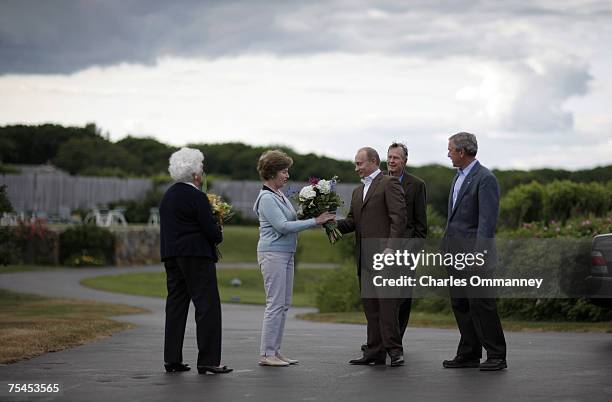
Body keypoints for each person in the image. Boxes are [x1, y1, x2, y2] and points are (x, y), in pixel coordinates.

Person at [253, 150, 335, 367]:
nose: (287, 175)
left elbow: (292, 219)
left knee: (284, 304)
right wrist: (314, 221)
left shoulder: (279, 195)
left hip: (286, 254)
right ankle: (267, 353)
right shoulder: (267, 198)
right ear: (271, 173)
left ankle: (275, 351)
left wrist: (314, 210)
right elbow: (283, 226)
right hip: (273, 254)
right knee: (275, 304)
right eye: (283, 171)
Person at [159, 147, 232, 375]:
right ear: (195, 174)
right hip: (197, 256)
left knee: (176, 306)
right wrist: (218, 227)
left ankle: (172, 359)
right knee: (207, 306)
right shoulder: (197, 196)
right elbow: (212, 232)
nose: (202, 171)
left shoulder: (168, 196)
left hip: (172, 255)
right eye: (201, 167)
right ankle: (208, 360)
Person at [337, 147, 407, 367]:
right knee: (371, 308)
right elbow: (351, 222)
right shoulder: (358, 192)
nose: (356, 167)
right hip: (364, 258)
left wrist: (391, 248)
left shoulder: (389, 183)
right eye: (356, 163)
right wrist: (328, 223)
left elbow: (399, 219)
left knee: (387, 306)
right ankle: (374, 352)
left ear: (374, 162)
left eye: (359, 163)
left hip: (385, 256)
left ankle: (395, 351)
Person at [442, 132, 507, 371]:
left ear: (462, 151)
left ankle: (497, 355)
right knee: (460, 304)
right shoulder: (457, 177)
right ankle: (469, 353)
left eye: (450, 149)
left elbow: (486, 222)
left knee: (482, 304)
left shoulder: (485, 178)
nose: (447, 153)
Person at [386, 142, 427, 337]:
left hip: (406, 251)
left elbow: (421, 224)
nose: (392, 161)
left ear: (405, 161)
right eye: (390, 157)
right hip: (380, 249)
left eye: (396, 158)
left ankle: (396, 340)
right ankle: (380, 339)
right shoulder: (379, 182)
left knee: (402, 298)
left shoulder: (417, 185)